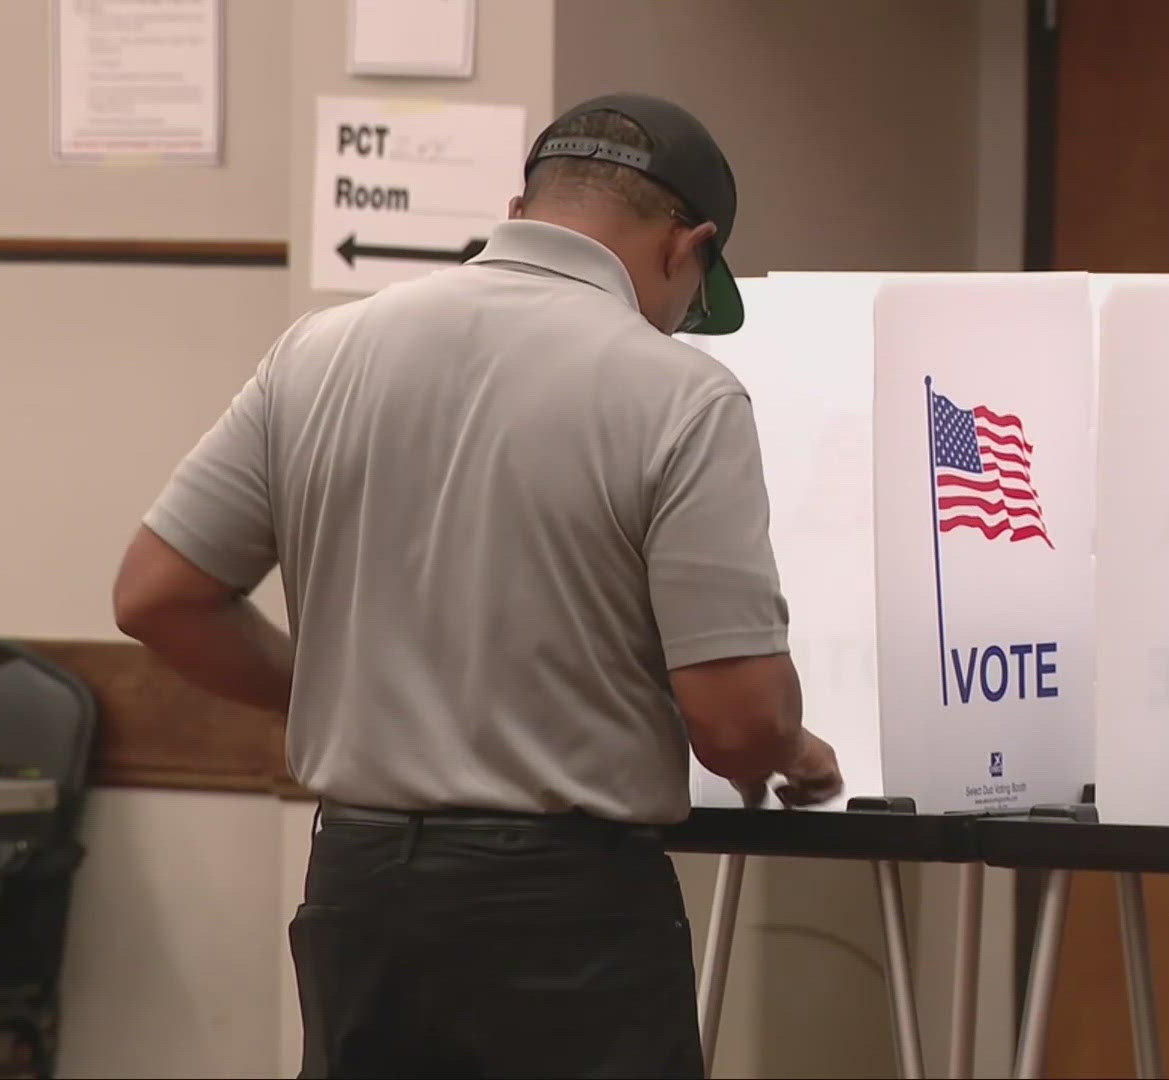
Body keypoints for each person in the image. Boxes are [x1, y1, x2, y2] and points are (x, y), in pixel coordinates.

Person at [112, 92, 843, 1078]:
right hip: (564, 916)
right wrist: (797, 750)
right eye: (692, 296)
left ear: (522, 203)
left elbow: (156, 596)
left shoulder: (320, 351)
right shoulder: (679, 394)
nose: (678, 322)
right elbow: (737, 725)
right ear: (688, 246)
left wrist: (337, 683)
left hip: (358, 896)